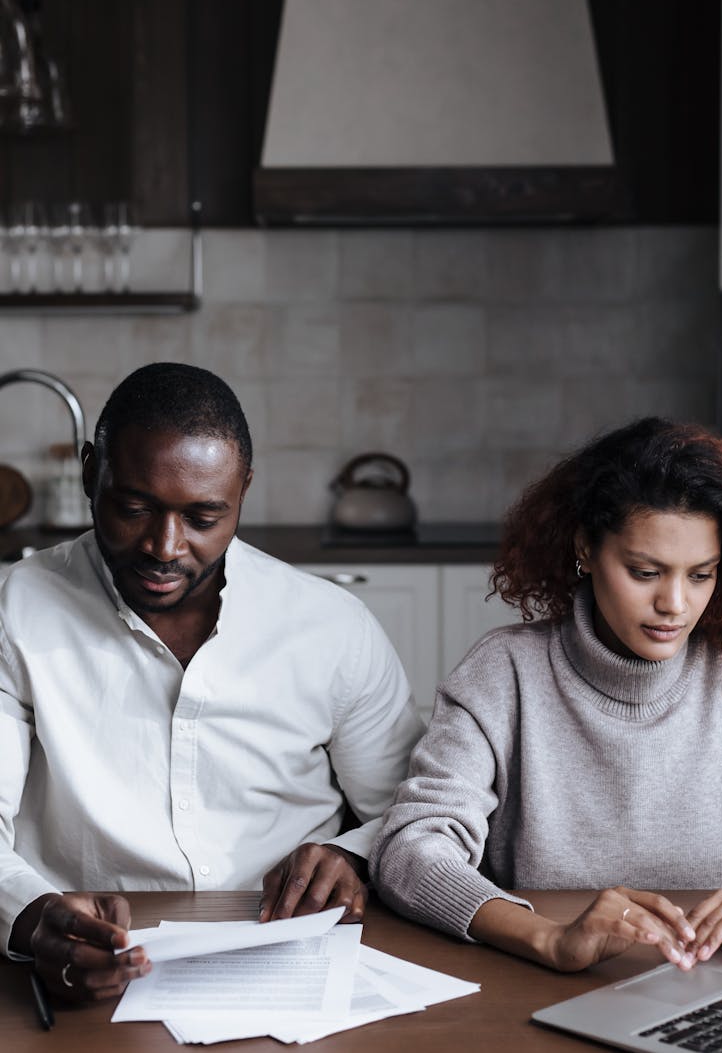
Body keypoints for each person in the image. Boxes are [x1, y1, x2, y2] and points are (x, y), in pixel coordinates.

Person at [0, 362, 423, 1001]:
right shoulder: (16, 610)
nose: (165, 547)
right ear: (91, 472)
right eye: (135, 507)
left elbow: (414, 807)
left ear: (243, 490)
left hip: (292, 957)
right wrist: (32, 917)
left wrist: (356, 855)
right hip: (86, 969)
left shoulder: (331, 625)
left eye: (203, 517)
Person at [370, 417, 722, 974]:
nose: (675, 603)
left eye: (701, 574)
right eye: (645, 572)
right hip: (541, 984)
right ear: (586, 550)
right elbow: (410, 850)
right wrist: (548, 939)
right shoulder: (504, 673)